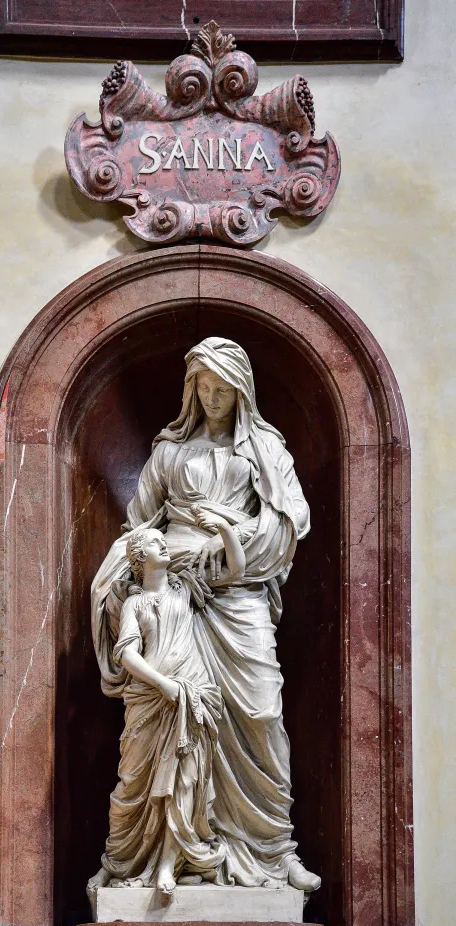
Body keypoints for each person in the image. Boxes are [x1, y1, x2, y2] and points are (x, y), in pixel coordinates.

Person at [91, 336, 320, 892]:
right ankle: (169, 852)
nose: (213, 399)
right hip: (173, 596)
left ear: (242, 391)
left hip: (239, 593)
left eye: (223, 389)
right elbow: (140, 525)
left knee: (261, 712)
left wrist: (231, 537)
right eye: (204, 387)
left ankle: (273, 850)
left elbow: (290, 521)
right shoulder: (169, 452)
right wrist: (156, 565)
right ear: (191, 389)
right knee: (175, 723)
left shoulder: (264, 449)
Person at [88, 513, 245, 897]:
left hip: (193, 697)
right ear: (140, 559)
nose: (164, 544)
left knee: (185, 782)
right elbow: (127, 654)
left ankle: (167, 863)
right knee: (132, 786)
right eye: (156, 543)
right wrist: (164, 685)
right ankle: (118, 860)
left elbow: (236, 571)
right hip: (151, 700)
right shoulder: (135, 604)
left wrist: (224, 528)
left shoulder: (184, 588)